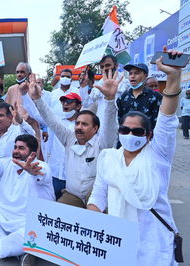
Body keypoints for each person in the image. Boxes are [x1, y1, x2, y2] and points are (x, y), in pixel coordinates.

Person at [87, 47, 183, 265]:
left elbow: (167, 118)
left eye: (137, 131)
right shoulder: (109, 158)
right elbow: (98, 194)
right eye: (125, 130)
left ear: (149, 134)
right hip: (118, 245)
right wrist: (91, 217)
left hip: (153, 246)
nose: (130, 135)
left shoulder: (158, 154)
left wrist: (174, 78)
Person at [27, 70, 119, 208]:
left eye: (85, 124)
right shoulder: (69, 137)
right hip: (72, 195)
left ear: (95, 129)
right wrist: (37, 99)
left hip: (95, 197)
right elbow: (50, 119)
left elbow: (110, 126)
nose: (79, 127)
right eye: (77, 123)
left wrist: (110, 100)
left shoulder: (102, 143)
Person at [48, 92, 82, 200]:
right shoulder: (57, 122)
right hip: (54, 173)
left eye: (69, 102)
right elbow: (49, 143)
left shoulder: (83, 126)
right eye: (63, 102)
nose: (65, 104)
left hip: (73, 178)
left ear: (78, 106)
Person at [117, 63, 162, 129]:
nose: (132, 76)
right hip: (128, 136)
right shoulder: (123, 97)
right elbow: (119, 120)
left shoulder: (155, 97)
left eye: (136, 73)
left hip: (148, 137)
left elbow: (159, 121)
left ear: (145, 76)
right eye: (130, 73)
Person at [89, 55, 127, 123]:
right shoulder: (98, 84)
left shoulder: (125, 83)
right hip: (102, 123)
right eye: (102, 67)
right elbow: (89, 102)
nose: (105, 69)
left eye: (108, 65)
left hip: (120, 124)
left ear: (116, 65)